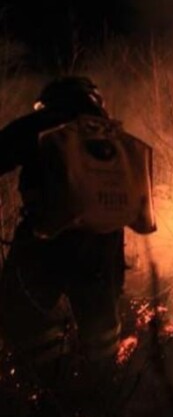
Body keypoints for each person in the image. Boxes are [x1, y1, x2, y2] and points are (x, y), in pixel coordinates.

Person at [0, 77, 126, 388]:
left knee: (18, 310)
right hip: (103, 244)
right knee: (101, 332)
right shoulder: (115, 137)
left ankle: (49, 389)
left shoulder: (44, 124)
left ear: (50, 102)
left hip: (46, 241)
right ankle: (104, 396)